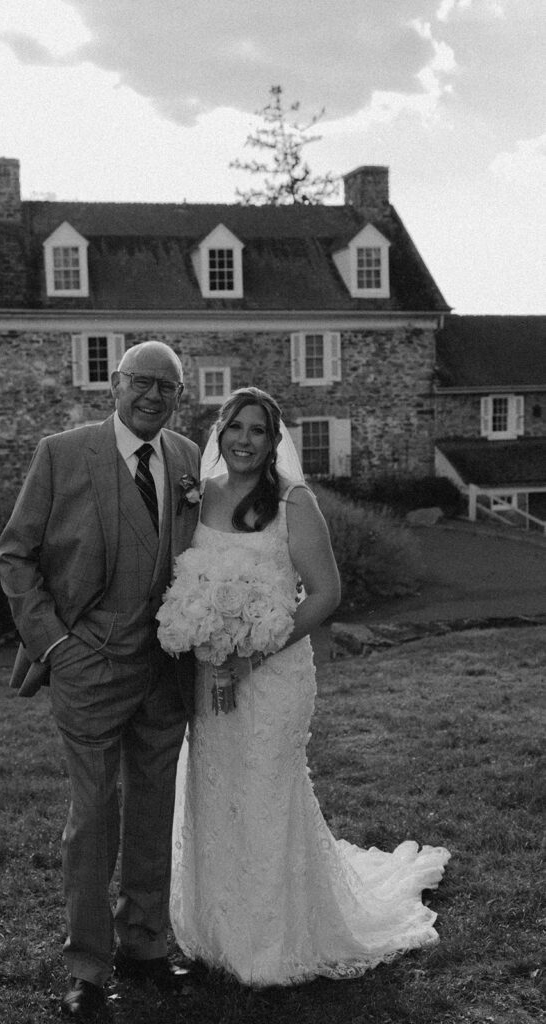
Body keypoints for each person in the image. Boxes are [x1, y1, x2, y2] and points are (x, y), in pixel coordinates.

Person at [170, 386, 450, 987]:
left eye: (258, 431)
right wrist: (204, 639)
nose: (245, 439)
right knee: (217, 792)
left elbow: (325, 593)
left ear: (274, 443)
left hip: (274, 676)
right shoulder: (197, 497)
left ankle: (272, 946)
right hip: (206, 676)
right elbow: (181, 579)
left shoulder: (293, 501)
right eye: (235, 427)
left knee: (268, 791)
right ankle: (219, 932)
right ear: (219, 432)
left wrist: (251, 650)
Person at [0, 341, 201, 1022]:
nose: (152, 396)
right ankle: (87, 966)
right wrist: (52, 641)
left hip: (165, 669)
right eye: (140, 382)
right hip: (87, 662)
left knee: (152, 811)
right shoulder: (63, 453)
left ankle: (144, 944)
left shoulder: (185, 457)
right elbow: (16, 552)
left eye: (166, 387)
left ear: (179, 397)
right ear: (114, 385)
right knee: (93, 818)